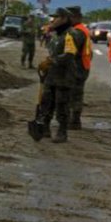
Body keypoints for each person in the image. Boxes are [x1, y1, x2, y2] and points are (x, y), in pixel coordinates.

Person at [36, 8, 77, 143]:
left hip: (64, 76)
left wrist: (51, 61)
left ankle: (62, 131)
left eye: (56, 17)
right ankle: (45, 127)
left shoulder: (71, 34)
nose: (53, 20)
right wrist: (47, 64)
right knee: (47, 102)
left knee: (62, 104)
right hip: (51, 75)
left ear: (65, 18)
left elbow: (69, 55)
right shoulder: (56, 35)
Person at [67, 6, 92, 129]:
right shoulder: (82, 29)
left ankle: (74, 121)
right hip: (82, 66)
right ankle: (74, 120)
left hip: (77, 67)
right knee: (76, 94)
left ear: (74, 17)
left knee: (74, 94)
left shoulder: (77, 32)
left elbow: (70, 52)